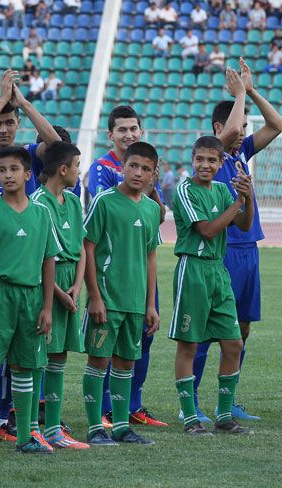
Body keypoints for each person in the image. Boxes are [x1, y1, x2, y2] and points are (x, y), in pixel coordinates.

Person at [0, 71, 62, 441]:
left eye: (9, 123)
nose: (3, 129)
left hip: (29, 284)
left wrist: (20, 103)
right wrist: (1, 102)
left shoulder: (29, 159)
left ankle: (17, 429)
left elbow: (54, 144)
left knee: (23, 363)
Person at [190, 60, 282, 422]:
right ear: (219, 127)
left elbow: (276, 124)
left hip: (248, 251)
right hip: (221, 253)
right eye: (239, 124)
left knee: (242, 328)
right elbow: (228, 136)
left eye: (245, 126)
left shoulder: (242, 154)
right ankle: (192, 399)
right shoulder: (214, 156)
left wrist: (252, 90)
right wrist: (239, 94)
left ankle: (226, 402)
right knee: (208, 330)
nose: (243, 132)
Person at [87, 106, 167, 429]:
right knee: (100, 356)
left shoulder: (148, 201)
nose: (129, 134)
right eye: (122, 129)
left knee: (132, 352)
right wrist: (94, 295)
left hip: (138, 293)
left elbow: (153, 244)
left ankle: (126, 416)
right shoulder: (103, 186)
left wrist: (151, 302)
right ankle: (100, 419)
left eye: (134, 128)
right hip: (109, 288)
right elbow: (90, 242)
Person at [171, 135, 255, 436]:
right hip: (192, 270)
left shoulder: (221, 189)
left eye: (211, 160)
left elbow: (244, 226)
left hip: (218, 272)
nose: (205, 165)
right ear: (193, 160)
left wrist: (249, 197)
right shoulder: (185, 190)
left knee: (233, 342)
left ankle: (224, 415)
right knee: (189, 344)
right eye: (200, 159)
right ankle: (190, 417)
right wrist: (238, 202)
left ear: (221, 164)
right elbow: (207, 231)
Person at [28, 142, 89, 450]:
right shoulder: (38, 202)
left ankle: (53, 428)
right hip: (46, 283)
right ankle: (30, 428)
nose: (79, 171)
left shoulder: (75, 202)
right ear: (63, 170)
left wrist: (77, 287)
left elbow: (80, 248)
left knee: (59, 355)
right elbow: (38, 255)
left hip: (69, 284)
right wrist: (58, 294)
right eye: (77, 165)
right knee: (38, 355)